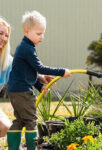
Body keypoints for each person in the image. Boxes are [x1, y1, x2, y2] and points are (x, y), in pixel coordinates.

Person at [7, 10, 71, 150]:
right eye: (38, 33)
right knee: (31, 120)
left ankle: (13, 148)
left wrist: (39, 86)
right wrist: (62, 71)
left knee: (19, 120)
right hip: (23, 91)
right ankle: (32, 148)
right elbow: (40, 67)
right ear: (26, 31)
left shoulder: (25, 47)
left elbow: (29, 72)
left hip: (15, 90)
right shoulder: (27, 49)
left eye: (43, 33)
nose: (42, 37)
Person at [0, 17, 12, 137]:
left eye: (6, 35)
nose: (3, 38)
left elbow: (22, 70)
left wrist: (41, 78)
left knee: (6, 127)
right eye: (0, 33)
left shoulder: (6, 62)